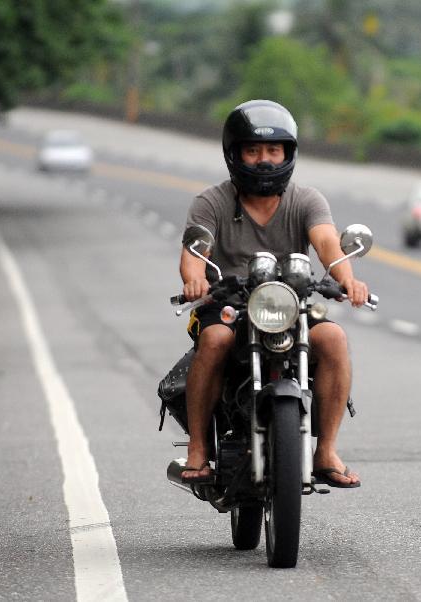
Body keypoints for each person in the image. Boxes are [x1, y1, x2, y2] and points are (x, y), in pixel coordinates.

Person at [179, 99, 368, 488]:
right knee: (214, 338)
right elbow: (194, 253)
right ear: (235, 155)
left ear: (287, 153)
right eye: (253, 150)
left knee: (333, 337)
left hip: (290, 304)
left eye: (273, 150)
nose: (264, 160)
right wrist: (195, 280)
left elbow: (328, 244)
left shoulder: (306, 200)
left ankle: (326, 450)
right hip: (229, 305)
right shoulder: (211, 201)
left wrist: (346, 278)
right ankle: (198, 447)